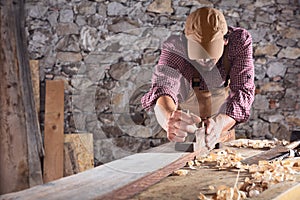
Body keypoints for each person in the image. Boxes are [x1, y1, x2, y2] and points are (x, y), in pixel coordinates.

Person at [141, 7, 255, 150]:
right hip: (184, 137)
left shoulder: (238, 42)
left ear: (225, 40)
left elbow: (243, 91)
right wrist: (169, 119)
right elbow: (163, 87)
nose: (204, 59)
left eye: (210, 52)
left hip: (222, 129)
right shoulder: (175, 47)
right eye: (198, 51)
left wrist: (219, 124)